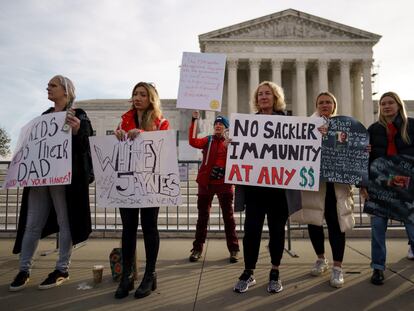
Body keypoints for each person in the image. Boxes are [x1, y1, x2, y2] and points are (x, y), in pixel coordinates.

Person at [9, 75, 93, 291]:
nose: (48, 88)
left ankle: (62, 268)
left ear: (65, 90)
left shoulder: (79, 115)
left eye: (53, 85)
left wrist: (76, 131)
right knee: (32, 223)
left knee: (65, 222)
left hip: (62, 180)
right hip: (40, 178)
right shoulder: (43, 118)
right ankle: (24, 269)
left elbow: (86, 144)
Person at [233, 81, 295, 294]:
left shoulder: (288, 122)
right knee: (251, 232)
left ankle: (275, 271)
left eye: (268, 93)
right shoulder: (249, 123)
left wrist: (318, 134)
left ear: (275, 97)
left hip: (278, 190)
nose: (264, 97)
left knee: (277, 232)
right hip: (255, 189)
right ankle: (248, 271)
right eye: (260, 94)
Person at [290, 92, 354, 288]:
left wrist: (362, 148)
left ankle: (337, 268)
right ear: (316, 105)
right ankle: (321, 259)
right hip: (314, 184)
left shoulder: (345, 126)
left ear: (334, 105)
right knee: (314, 222)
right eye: (321, 102)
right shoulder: (306, 126)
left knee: (337, 225)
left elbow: (351, 151)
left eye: (328, 102)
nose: (325, 105)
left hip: (336, 185)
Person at [113, 82, 169, 299]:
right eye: (135, 93)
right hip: (126, 182)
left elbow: (163, 147)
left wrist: (144, 134)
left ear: (151, 98)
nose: (137, 97)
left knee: (149, 227)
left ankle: (150, 274)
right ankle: (127, 274)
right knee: (128, 228)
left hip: (149, 183)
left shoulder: (161, 121)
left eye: (143, 94)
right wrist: (118, 136)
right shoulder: (123, 120)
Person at [361, 91, 414, 285]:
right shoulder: (373, 130)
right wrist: (363, 184)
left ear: (398, 105)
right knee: (377, 229)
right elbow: (364, 160)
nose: (386, 106)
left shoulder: (412, 126)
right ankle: (377, 268)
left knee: (412, 228)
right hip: (379, 186)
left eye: (390, 103)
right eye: (383, 103)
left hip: (407, 188)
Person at [188, 111, 239, 263]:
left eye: (221, 124)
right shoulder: (208, 140)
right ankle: (197, 249)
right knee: (202, 218)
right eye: (216, 124)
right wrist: (194, 120)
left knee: (228, 218)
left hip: (224, 184)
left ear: (226, 128)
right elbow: (192, 141)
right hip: (206, 184)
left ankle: (234, 249)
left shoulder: (231, 142)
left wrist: (230, 147)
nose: (218, 126)